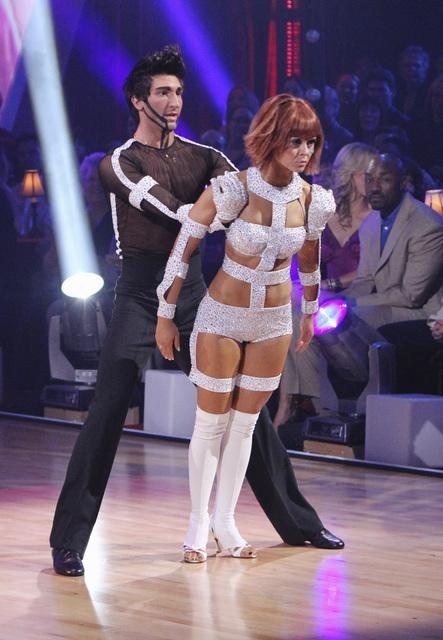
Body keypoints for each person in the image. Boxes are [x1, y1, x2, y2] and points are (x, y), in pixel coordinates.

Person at [49, 45, 343, 578]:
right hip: (140, 294)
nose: (175, 100)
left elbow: (259, 185)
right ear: (138, 100)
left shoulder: (204, 155)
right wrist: (213, 214)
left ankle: (298, 523)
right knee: (108, 408)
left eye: (179, 91)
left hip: (202, 295)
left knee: (245, 417)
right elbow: (167, 207)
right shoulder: (121, 161)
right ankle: (68, 540)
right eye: (163, 91)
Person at [155, 93, 335, 562]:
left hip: (274, 320)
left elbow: (311, 261)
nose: (303, 151)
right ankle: (197, 522)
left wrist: (311, 312)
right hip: (221, 315)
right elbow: (183, 248)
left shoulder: (313, 200)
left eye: (310, 142)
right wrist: (165, 313)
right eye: (294, 140)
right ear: (271, 139)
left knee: (245, 425)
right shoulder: (232, 188)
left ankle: (226, 521)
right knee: (211, 422)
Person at [278, 152, 443, 416]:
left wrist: (345, 303)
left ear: (404, 182)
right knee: (301, 314)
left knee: (336, 318)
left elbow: (411, 296)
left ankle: (357, 409)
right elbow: (366, 280)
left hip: (418, 313)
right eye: (369, 179)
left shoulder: (427, 226)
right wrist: (335, 300)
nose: (374, 187)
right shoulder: (373, 223)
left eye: (384, 179)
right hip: (384, 302)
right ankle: (317, 406)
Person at [273, 142, 378, 429]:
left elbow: (371, 272)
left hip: (353, 292)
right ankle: (297, 401)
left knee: (303, 305)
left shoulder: (377, 217)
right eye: (367, 174)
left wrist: (329, 283)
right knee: (291, 300)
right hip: (319, 291)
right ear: (352, 175)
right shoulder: (324, 211)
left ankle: (301, 401)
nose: (374, 180)